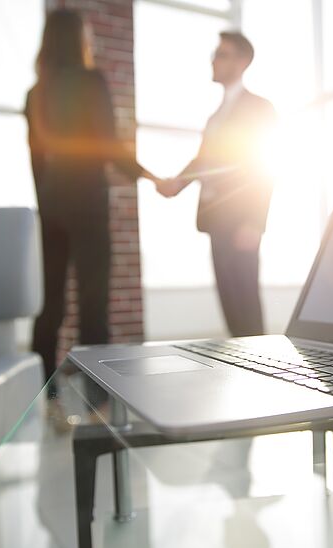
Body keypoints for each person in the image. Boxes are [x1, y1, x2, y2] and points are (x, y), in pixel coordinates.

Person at [26, 9, 156, 384]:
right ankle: (98, 402)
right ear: (77, 38)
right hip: (87, 204)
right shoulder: (91, 81)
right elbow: (108, 145)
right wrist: (149, 176)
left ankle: (44, 400)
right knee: (92, 306)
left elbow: (35, 161)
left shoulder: (36, 93)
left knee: (50, 307)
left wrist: (46, 205)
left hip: (51, 208)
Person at [157, 31, 276, 337]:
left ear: (241, 61)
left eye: (221, 54)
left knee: (247, 306)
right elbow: (204, 161)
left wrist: (255, 222)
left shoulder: (259, 108)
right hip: (217, 220)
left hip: (241, 223)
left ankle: (265, 375)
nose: (214, 60)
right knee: (231, 308)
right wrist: (177, 184)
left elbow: (265, 164)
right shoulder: (215, 117)